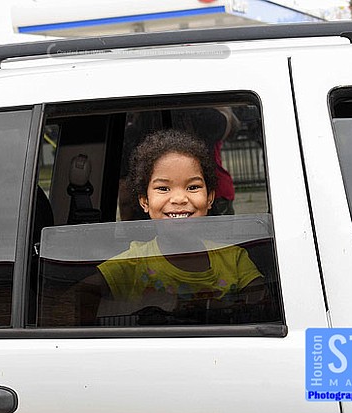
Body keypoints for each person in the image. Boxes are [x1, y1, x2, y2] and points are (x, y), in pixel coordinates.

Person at [80, 129, 264, 325]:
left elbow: (263, 305)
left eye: (193, 187)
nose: (179, 199)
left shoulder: (234, 259)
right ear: (144, 201)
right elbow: (81, 293)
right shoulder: (133, 263)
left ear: (210, 198)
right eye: (163, 188)